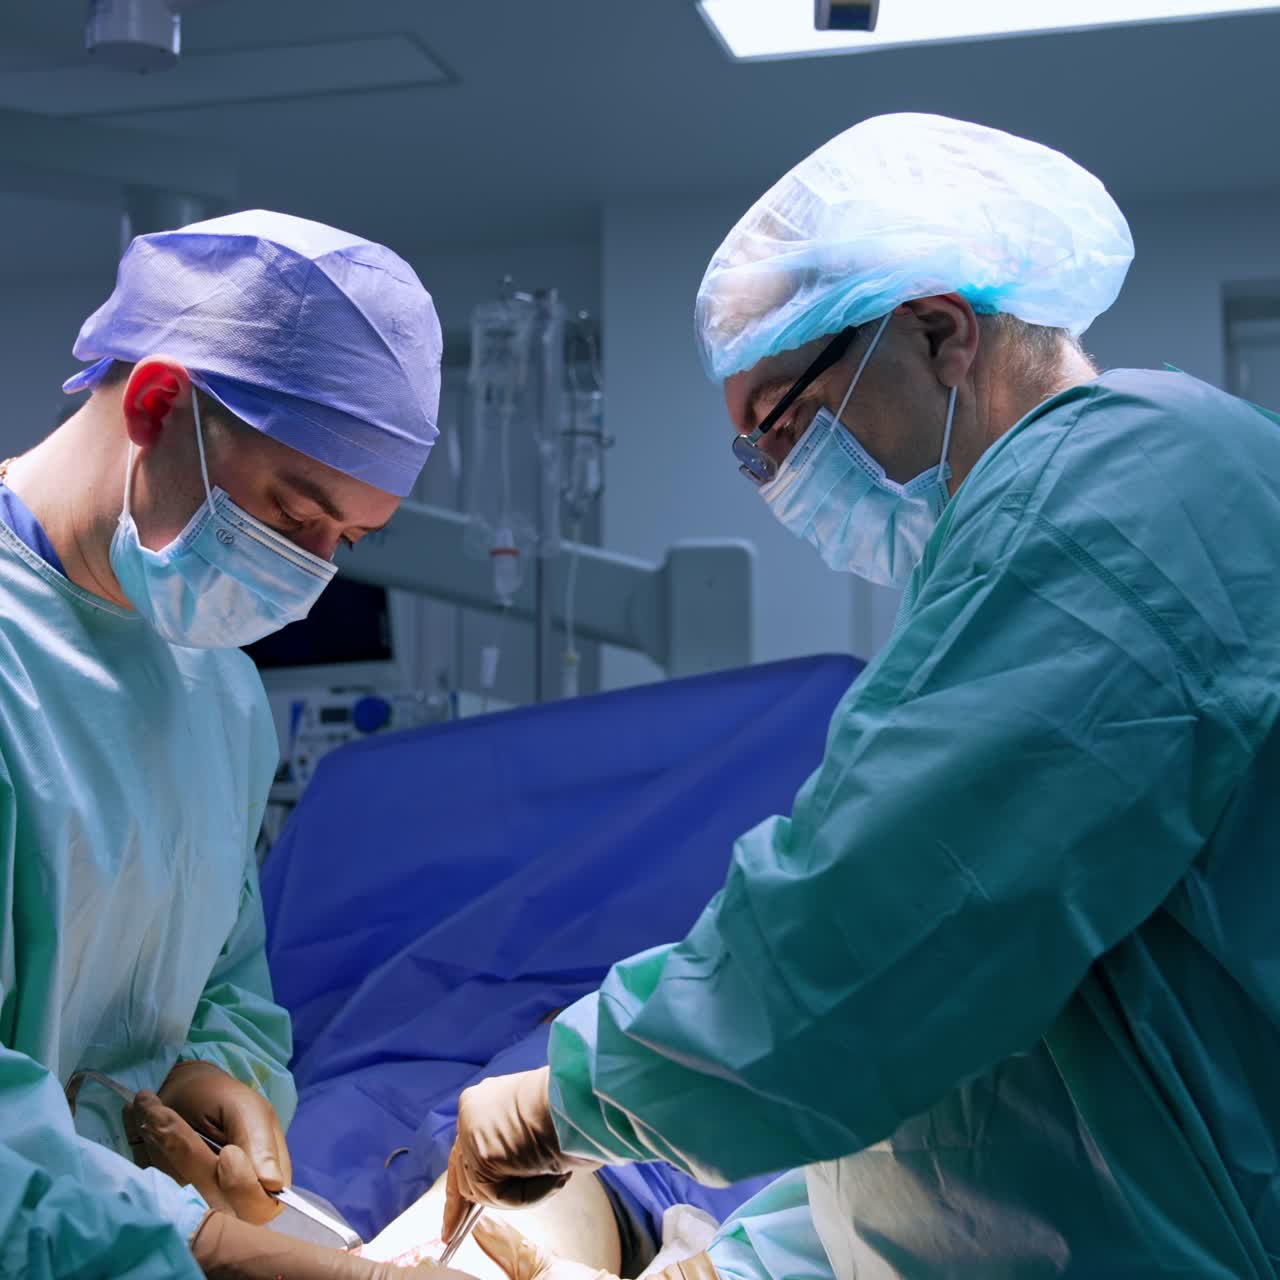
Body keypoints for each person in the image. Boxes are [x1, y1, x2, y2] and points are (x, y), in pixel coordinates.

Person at [440, 113, 1280, 1277]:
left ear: (938, 332)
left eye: (779, 426)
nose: (777, 479)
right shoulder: (1048, 518)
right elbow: (991, 1064)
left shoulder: (1113, 497)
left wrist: (570, 1094)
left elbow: (868, 930)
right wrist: (760, 1253)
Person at [0, 209, 475, 1278]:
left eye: (344, 542)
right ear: (161, 402)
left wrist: (223, 1073)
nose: (308, 578)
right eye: (292, 514)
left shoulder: (216, 683)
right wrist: (204, 1244)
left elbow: (223, 969)